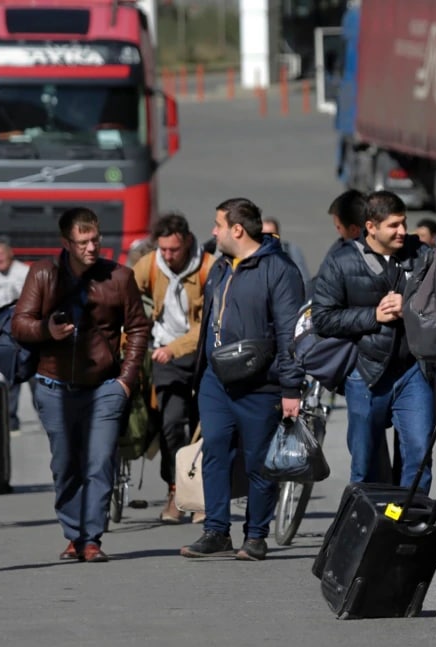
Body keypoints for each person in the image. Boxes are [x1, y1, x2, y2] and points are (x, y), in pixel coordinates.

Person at [12, 208, 151, 562]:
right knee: (67, 464)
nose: (91, 248)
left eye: (95, 240)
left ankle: (91, 539)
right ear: (66, 243)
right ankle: (73, 534)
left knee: (99, 461)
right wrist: (47, 331)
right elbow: (20, 324)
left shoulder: (119, 277)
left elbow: (138, 328)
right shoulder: (43, 273)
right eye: (83, 242)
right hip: (54, 386)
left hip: (104, 387)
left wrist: (127, 379)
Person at [179, 198, 304, 562]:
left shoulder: (280, 270)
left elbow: (289, 332)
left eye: (218, 225)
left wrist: (290, 387)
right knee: (215, 450)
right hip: (216, 380)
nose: (213, 232)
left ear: (237, 229)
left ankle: (255, 536)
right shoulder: (220, 267)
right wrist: (199, 373)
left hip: (260, 383)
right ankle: (216, 530)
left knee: (258, 461)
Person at [311, 191, 433, 491]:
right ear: (371, 227)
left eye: (404, 223)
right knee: (364, 465)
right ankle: (366, 528)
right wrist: (373, 316)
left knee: (419, 456)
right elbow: (323, 319)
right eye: (393, 225)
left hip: (413, 372)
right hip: (365, 374)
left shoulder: (423, 256)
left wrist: (409, 306)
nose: (403, 232)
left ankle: (406, 523)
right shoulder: (341, 262)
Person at [132, 213, 214, 523]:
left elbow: (206, 324)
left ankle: (198, 496)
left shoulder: (207, 267)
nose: (167, 255)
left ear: (188, 242)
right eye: (163, 249)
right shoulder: (151, 264)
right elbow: (126, 293)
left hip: (197, 354)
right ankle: (175, 490)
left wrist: (174, 348)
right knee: (170, 425)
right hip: (163, 357)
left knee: (201, 426)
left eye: (173, 250)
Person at [0, 239, 31, 431]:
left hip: (28, 332)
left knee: (35, 378)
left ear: (9, 253)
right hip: (7, 336)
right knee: (11, 377)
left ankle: (46, 416)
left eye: (1, 254)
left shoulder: (24, 273)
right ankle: (11, 420)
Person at [261, 217, 311, 294]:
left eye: (271, 234)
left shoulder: (291, 251)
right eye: (263, 234)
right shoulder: (252, 254)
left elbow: (304, 280)